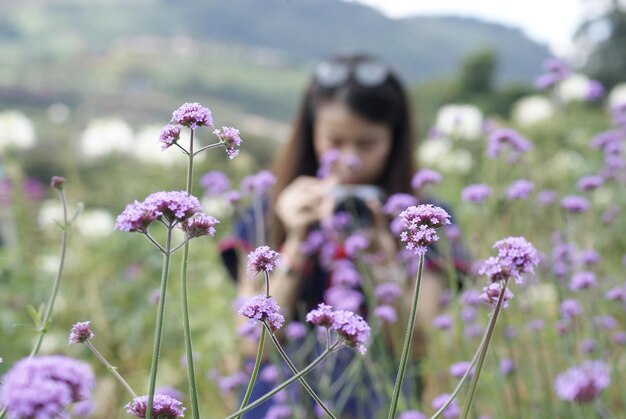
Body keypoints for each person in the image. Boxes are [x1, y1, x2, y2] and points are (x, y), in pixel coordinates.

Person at [221, 53, 469, 417]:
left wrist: (385, 266)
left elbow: (415, 346)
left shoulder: (424, 218)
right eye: (334, 141)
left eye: (367, 144)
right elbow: (251, 338)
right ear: (311, 135)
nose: (349, 158)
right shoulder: (269, 209)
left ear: (395, 139)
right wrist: (294, 240)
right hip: (279, 403)